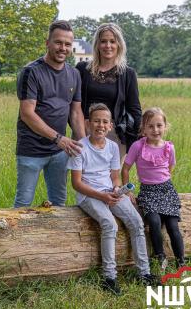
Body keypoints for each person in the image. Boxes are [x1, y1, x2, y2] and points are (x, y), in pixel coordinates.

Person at [67, 103, 159, 295]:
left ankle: (144, 273)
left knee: (136, 222)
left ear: (110, 126)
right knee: (110, 224)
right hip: (89, 195)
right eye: (96, 121)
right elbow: (76, 183)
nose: (100, 125)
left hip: (110, 192)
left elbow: (115, 176)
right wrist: (102, 196)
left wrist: (117, 189)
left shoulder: (113, 147)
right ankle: (109, 277)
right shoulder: (79, 147)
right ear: (88, 123)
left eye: (105, 122)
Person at [14, 20, 85, 208]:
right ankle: (18, 238)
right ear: (47, 43)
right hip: (31, 150)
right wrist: (58, 138)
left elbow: (76, 112)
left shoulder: (74, 74)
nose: (63, 48)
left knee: (59, 203)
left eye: (67, 44)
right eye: (58, 42)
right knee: (23, 204)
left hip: (60, 152)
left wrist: (84, 146)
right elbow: (27, 114)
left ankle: (52, 239)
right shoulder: (31, 72)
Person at [122, 107, 185, 271]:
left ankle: (181, 262)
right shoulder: (138, 146)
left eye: (159, 125)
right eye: (150, 126)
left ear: (165, 126)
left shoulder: (169, 148)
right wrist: (127, 191)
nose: (155, 130)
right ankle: (160, 256)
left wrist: (163, 182)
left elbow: (169, 168)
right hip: (148, 192)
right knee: (154, 222)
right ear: (143, 128)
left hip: (166, 190)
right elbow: (126, 169)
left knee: (172, 226)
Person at [76, 23, 141, 161]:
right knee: (83, 179)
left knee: (112, 180)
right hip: (84, 130)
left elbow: (134, 108)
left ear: (119, 45)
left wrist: (138, 140)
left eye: (112, 41)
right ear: (97, 45)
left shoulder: (128, 74)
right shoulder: (82, 69)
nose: (108, 45)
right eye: (103, 41)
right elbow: (73, 105)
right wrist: (80, 133)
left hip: (114, 134)